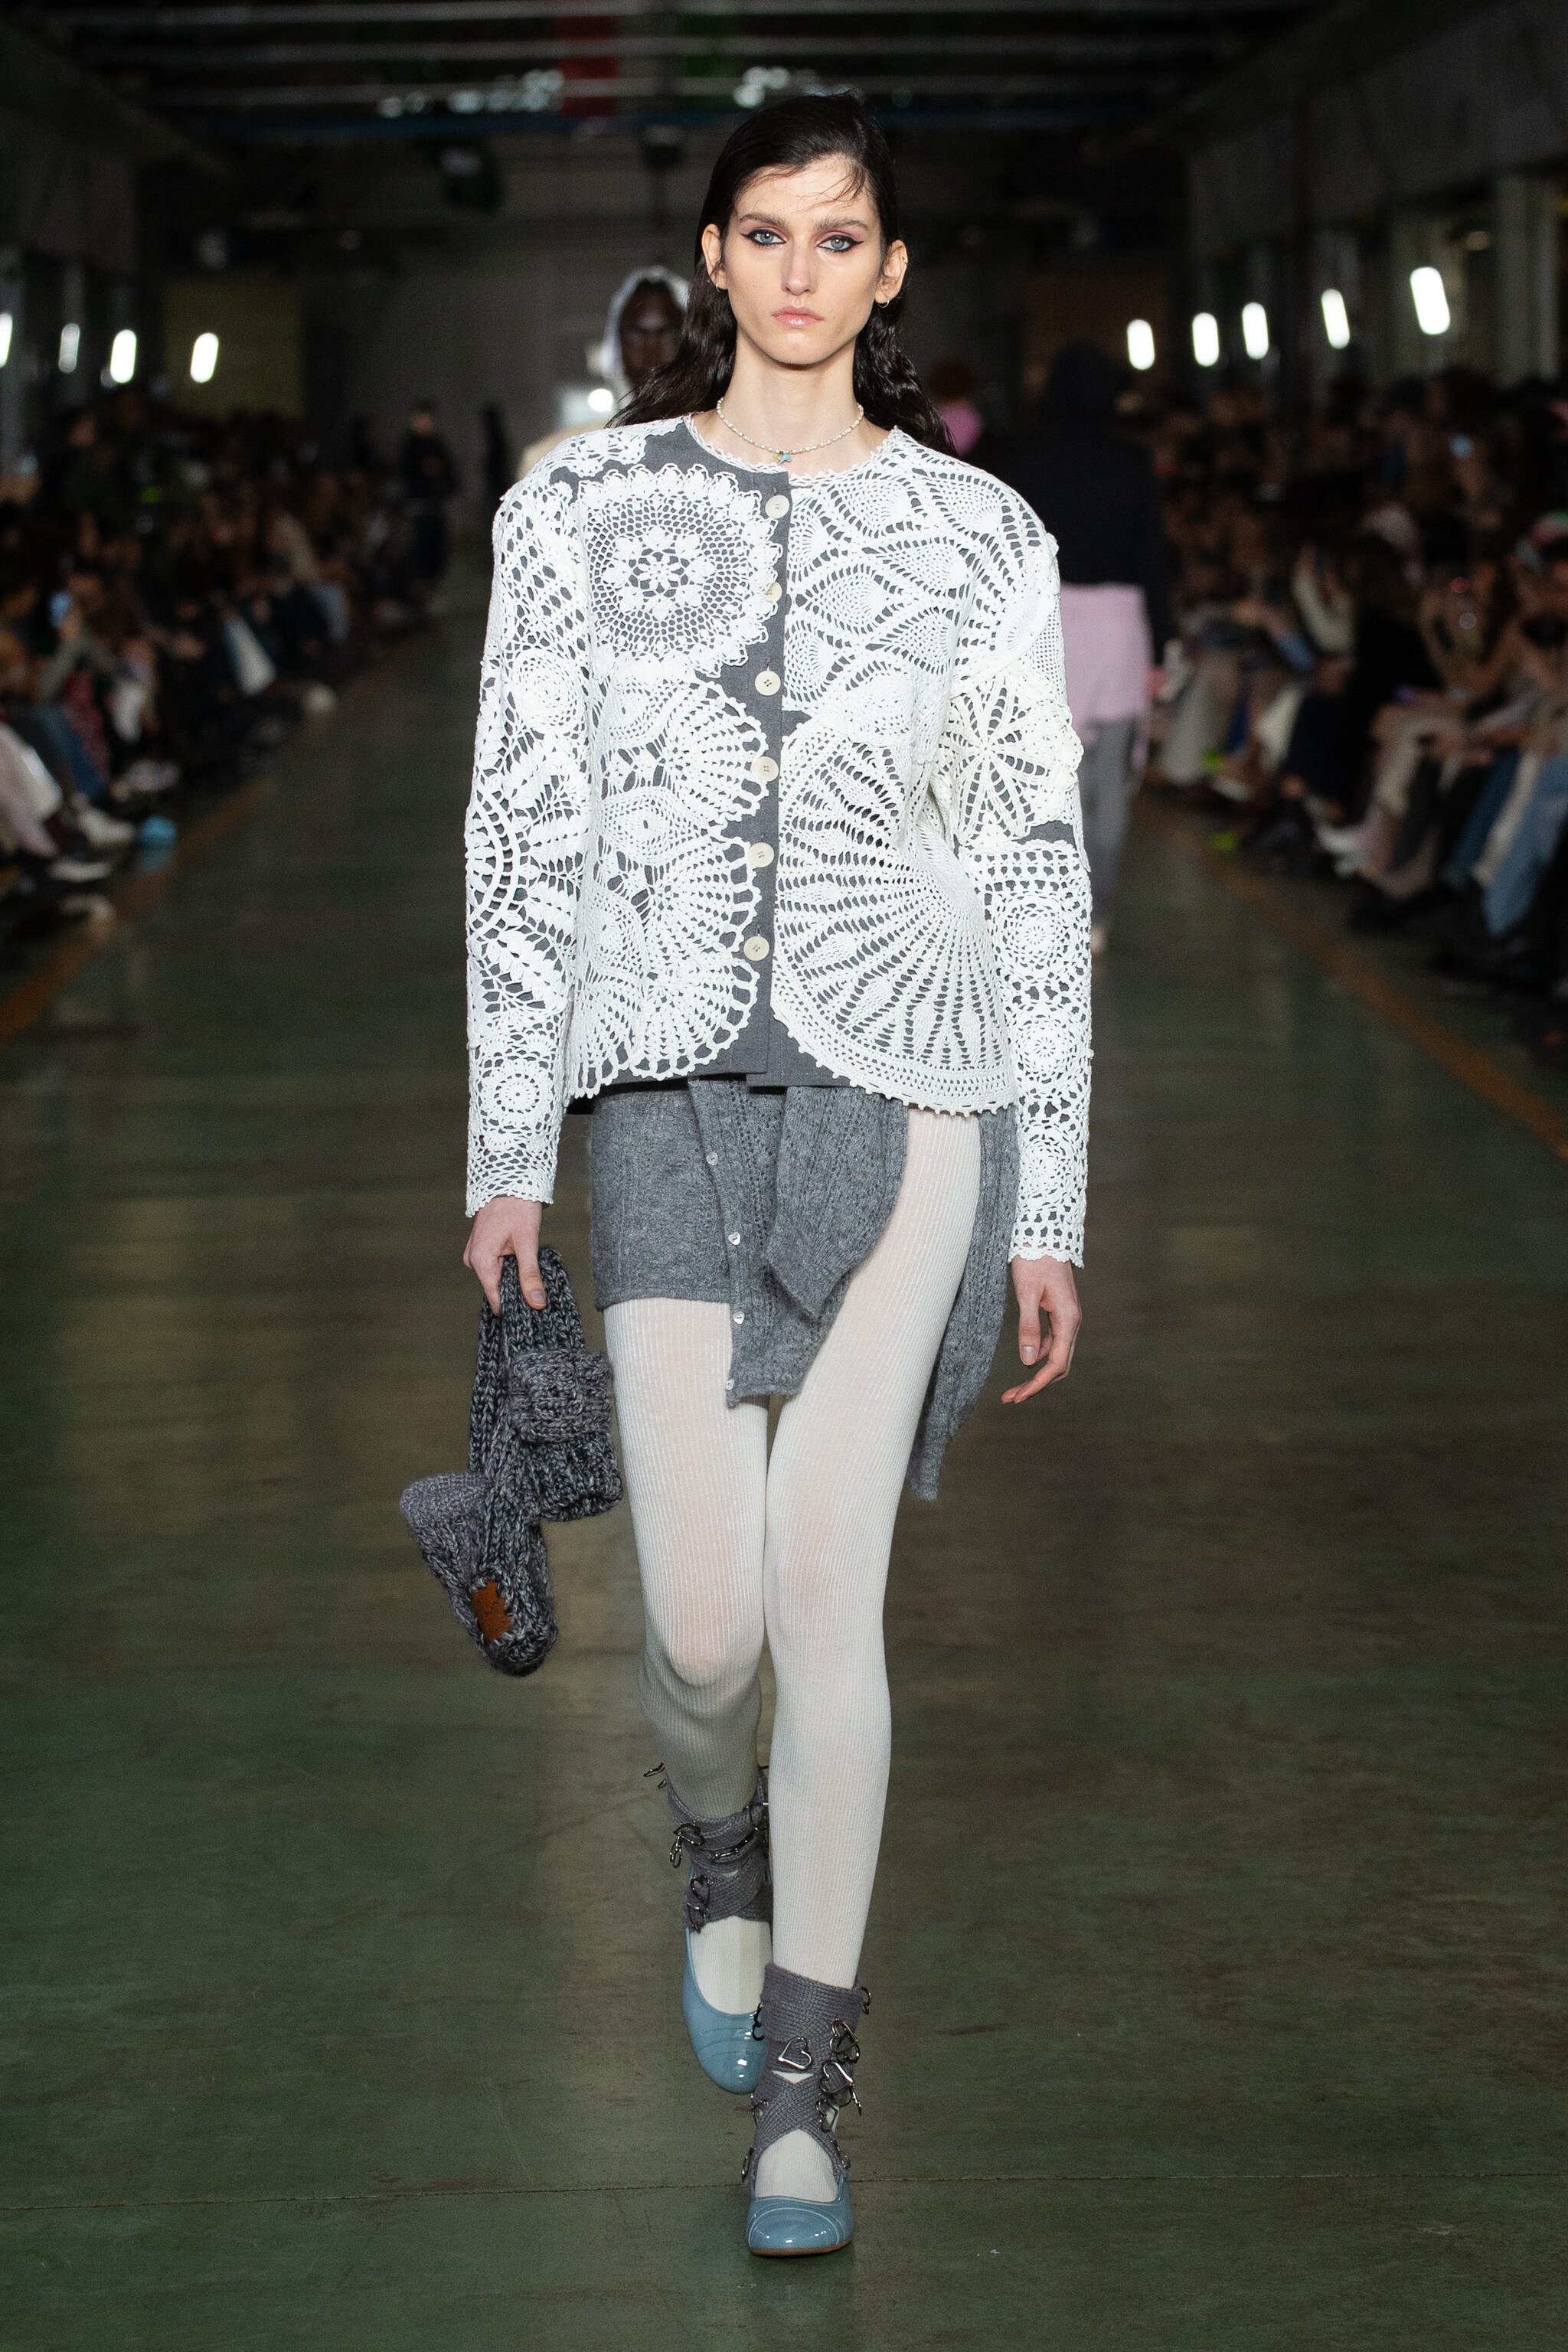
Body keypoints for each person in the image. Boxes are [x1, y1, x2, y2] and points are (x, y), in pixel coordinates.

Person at [461, 93, 1089, 2259]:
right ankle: (713, 1841)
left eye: (842, 235)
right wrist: (504, 1143)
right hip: (658, 1102)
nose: (804, 269)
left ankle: (806, 2095)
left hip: (909, 1099)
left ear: (888, 267)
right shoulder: (578, 508)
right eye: (767, 231)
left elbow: (1034, 869)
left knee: (828, 1605)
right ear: (713, 257)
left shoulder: (981, 534)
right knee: (704, 1628)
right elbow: (521, 826)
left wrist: (1052, 1195)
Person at [988, 341, 1172, 952]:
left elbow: (1004, 553)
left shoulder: (1022, 458)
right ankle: (1096, 916)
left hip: (1044, 623)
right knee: (1108, 783)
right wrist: (1161, 647)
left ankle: (1043, 906)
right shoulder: (1132, 461)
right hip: (1119, 625)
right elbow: (1155, 559)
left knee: (1038, 776)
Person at [517, 265, 688, 478]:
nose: (652, 351)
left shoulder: (719, 447)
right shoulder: (553, 461)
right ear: (616, 346)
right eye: (636, 335)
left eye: (669, 334)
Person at [398, 400, 459, 590]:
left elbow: (449, 473)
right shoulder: (410, 447)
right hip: (417, 505)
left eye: (428, 419)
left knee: (436, 548)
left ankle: (432, 585)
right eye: (421, 419)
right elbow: (405, 473)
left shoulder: (437, 445)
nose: (425, 424)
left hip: (435, 505)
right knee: (420, 548)